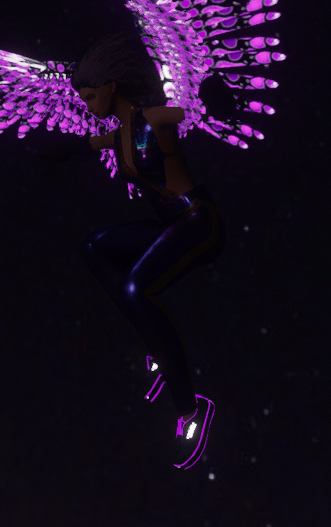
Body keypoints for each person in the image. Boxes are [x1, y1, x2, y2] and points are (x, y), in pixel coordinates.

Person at [45, 31, 227, 469]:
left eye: (91, 97)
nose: (88, 106)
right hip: (170, 225)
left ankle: (191, 409)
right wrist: (57, 152)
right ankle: (156, 341)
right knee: (94, 248)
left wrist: (219, 99)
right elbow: (88, 145)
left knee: (133, 289)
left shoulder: (153, 117)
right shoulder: (120, 132)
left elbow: (189, 111)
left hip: (198, 222)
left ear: (111, 87)